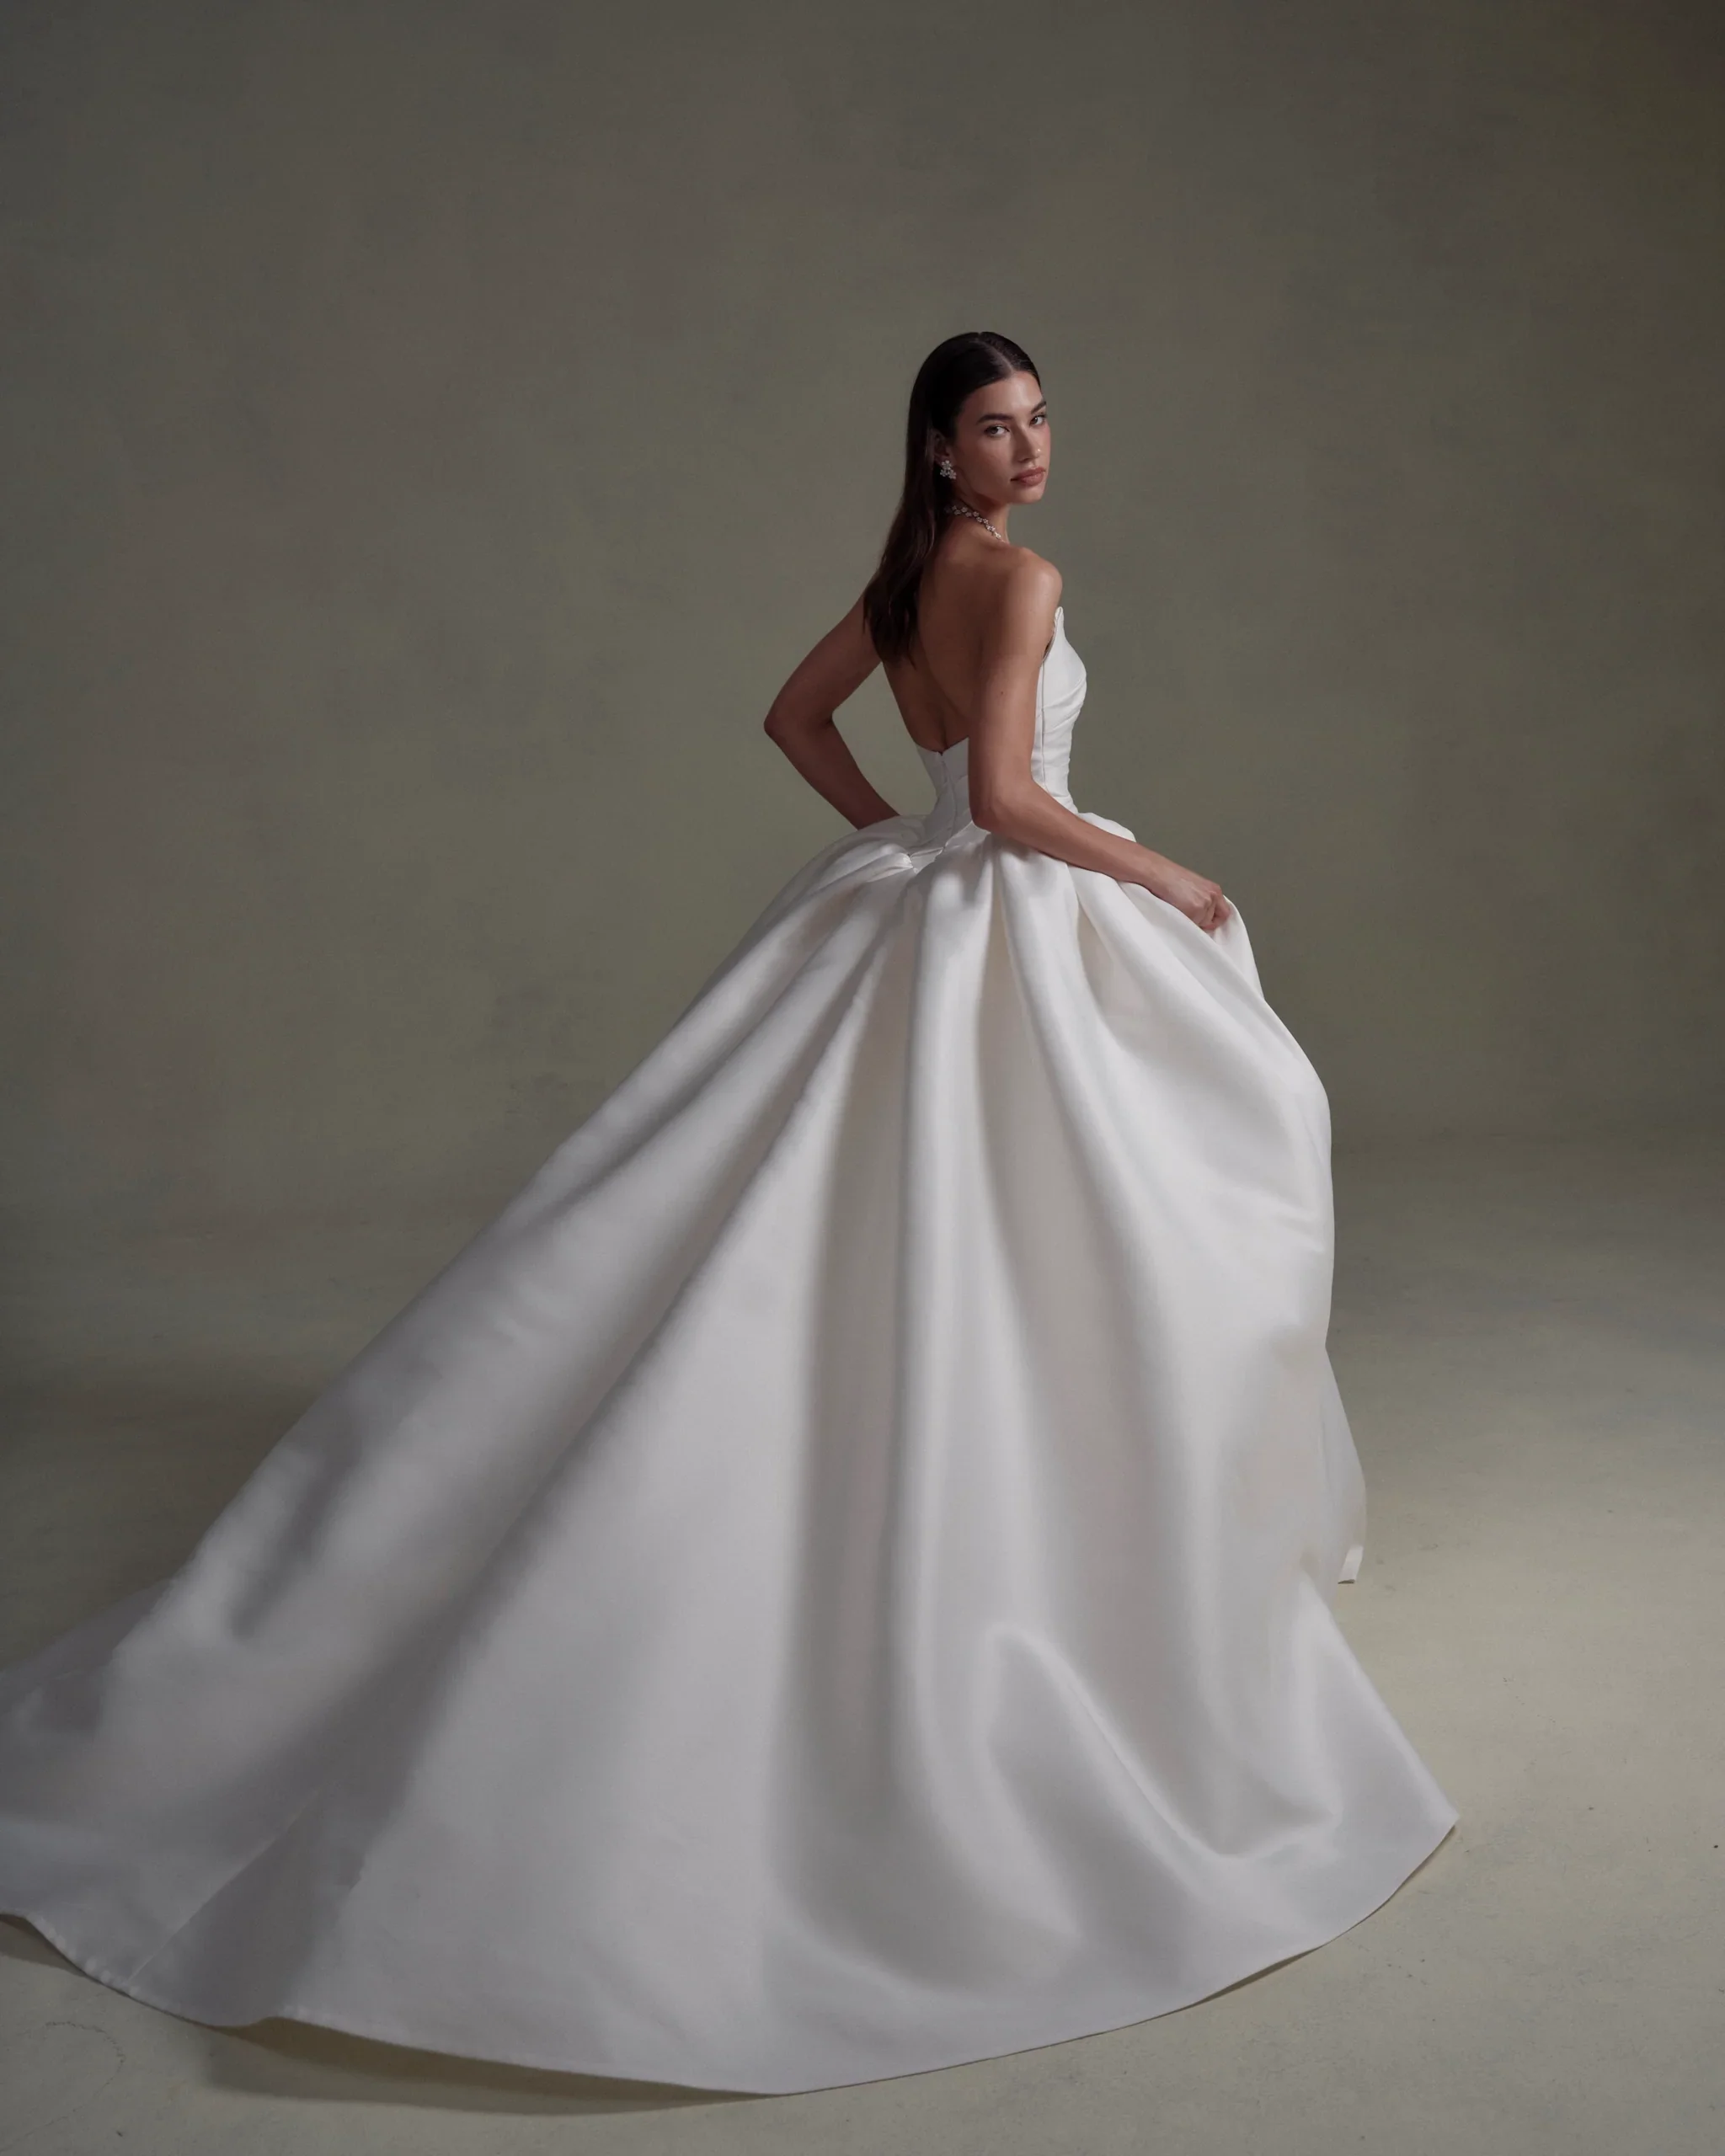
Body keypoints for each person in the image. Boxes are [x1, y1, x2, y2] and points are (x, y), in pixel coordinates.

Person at [0, 330, 1457, 2096]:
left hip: (927, 907)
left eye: (1039, 419)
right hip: (1025, 911)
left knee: (887, 1231)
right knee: (1099, 1215)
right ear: (937, 448)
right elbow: (1004, 800)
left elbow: (807, 720)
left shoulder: (907, 579)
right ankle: (1094, 1523)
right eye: (995, 427)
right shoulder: (1016, 576)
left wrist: (885, 842)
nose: (1031, 447)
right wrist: (1159, 871)